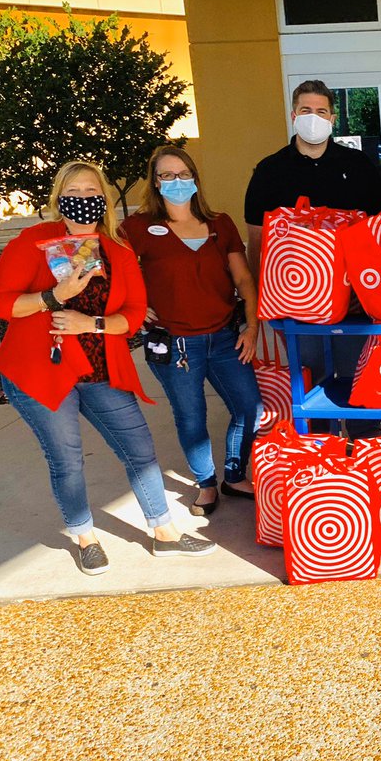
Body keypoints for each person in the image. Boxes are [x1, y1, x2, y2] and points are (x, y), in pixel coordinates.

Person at [0, 160, 216, 576]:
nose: (83, 200)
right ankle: (84, 537)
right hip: (41, 369)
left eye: (92, 192)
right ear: (58, 198)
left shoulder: (117, 247)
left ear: (105, 198)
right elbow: (1, 303)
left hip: (99, 367)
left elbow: (132, 314)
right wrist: (54, 298)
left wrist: (89, 323)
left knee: (141, 450)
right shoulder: (33, 241)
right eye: (73, 193)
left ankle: (163, 533)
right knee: (67, 458)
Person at [244, 79, 381, 441]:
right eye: (306, 111)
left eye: (321, 111)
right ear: (294, 116)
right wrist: (262, 303)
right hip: (297, 304)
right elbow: (256, 241)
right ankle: (321, 461)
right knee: (311, 386)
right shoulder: (269, 170)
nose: (314, 118)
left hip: (357, 302)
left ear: (333, 118)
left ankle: (366, 452)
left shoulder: (358, 166)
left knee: (359, 380)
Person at [125, 146, 262, 518]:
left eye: (184, 174)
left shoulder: (220, 223)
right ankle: (206, 483)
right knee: (191, 417)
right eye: (167, 175)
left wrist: (251, 327)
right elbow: (110, 273)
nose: (176, 182)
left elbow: (245, 280)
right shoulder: (136, 228)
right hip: (174, 342)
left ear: (195, 179)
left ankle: (235, 475)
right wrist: (132, 309)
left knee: (250, 408)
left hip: (224, 336)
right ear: (154, 182)